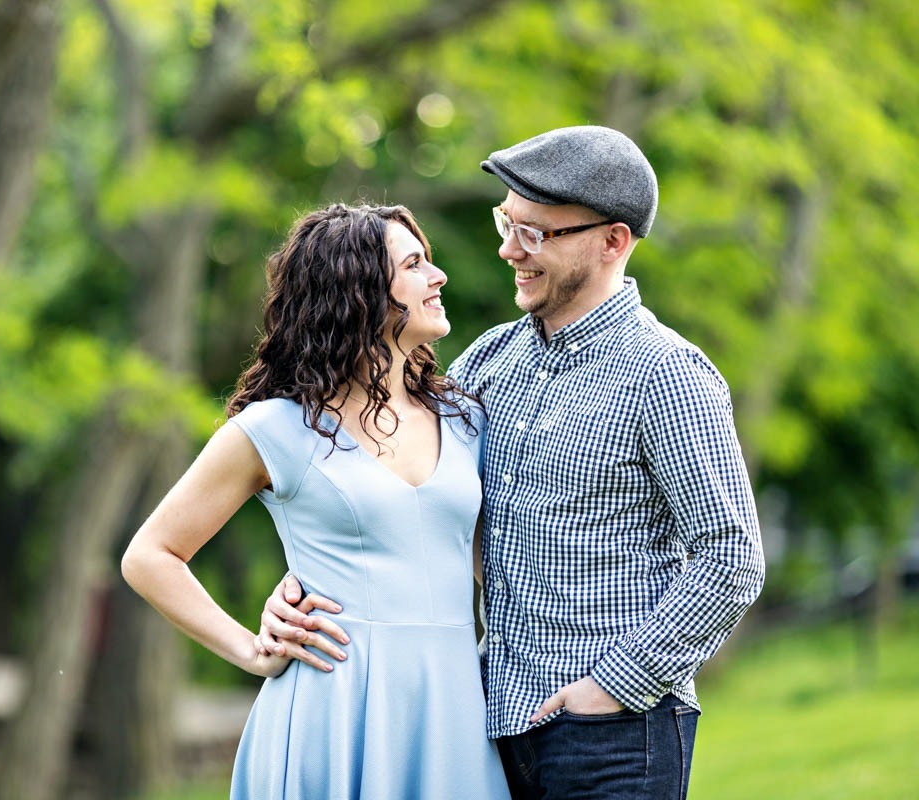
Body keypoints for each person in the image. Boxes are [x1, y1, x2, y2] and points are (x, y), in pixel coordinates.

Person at [256, 127, 766, 799]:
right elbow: (415, 505)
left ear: (612, 241)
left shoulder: (668, 375)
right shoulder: (489, 364)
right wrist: (304, 591)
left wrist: (614, 686)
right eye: (508, 224)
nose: (507, 250)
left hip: (617, 735)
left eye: (536, 234)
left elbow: (732, 556)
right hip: (493, 725)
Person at [121, 203, 510, 800]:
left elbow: (497, 561)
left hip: (454, 710)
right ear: (359, 292)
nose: (439, 277)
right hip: (331, 712)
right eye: (414, 264)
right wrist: (251, 650)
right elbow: (150, 555)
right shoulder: (276, 429)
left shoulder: (466, 419)